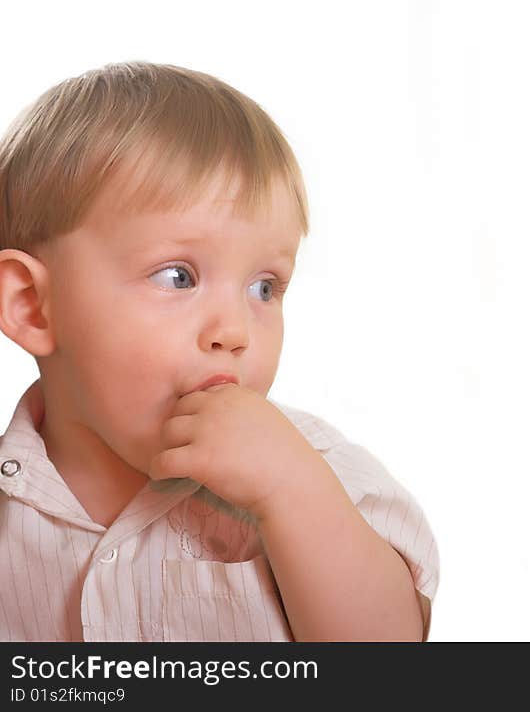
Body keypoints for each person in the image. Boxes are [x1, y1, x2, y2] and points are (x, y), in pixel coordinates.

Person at [0, 61, 439, 641]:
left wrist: (291, 494)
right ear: (33, 305)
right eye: (178, 277)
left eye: (265, 287)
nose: (235, 330)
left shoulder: (315, 477)